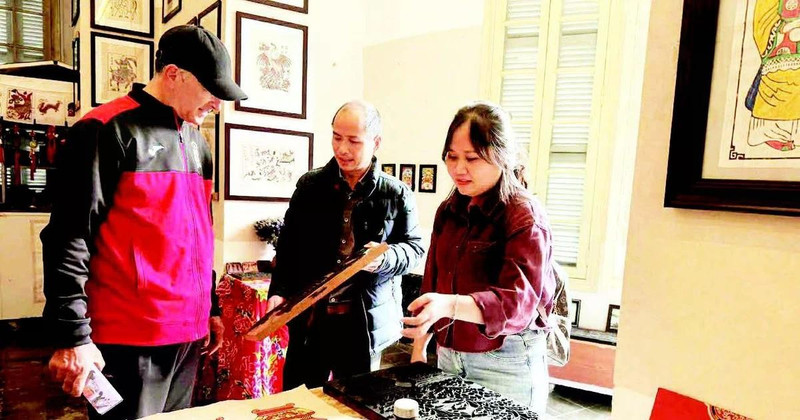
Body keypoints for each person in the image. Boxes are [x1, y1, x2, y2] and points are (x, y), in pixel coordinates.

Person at [41, 25, 247, 419]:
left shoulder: (197, 141)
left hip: (188, 335)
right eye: (210, 90)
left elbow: (198, 236)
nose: (217, 103)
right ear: (173, 74)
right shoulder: (103, 130)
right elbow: (68, 237)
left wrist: (210, 310)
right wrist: (73, 336)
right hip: (130, 336)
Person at [401, 101, 556, 414]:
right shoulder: (450, 209)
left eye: (472, 158)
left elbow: (517, 305)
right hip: (449, 353)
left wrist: (450, 305)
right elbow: (434, 278)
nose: (459, 169)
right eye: (452, 157)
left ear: (501, 156)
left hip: (506, 360)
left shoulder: (523, 215)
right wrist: (420, 346)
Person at [267, 100, 425, 389]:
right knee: (298, 402)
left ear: (375, 142)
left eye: (353, 141)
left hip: (362, 324)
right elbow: (288, 247)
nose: (342, 149)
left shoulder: (396, 193)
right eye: (336, 137)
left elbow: (414, 248)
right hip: (312, 318)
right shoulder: (310, 186)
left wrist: (385, 258)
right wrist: (278, 291)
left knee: (357, 404)